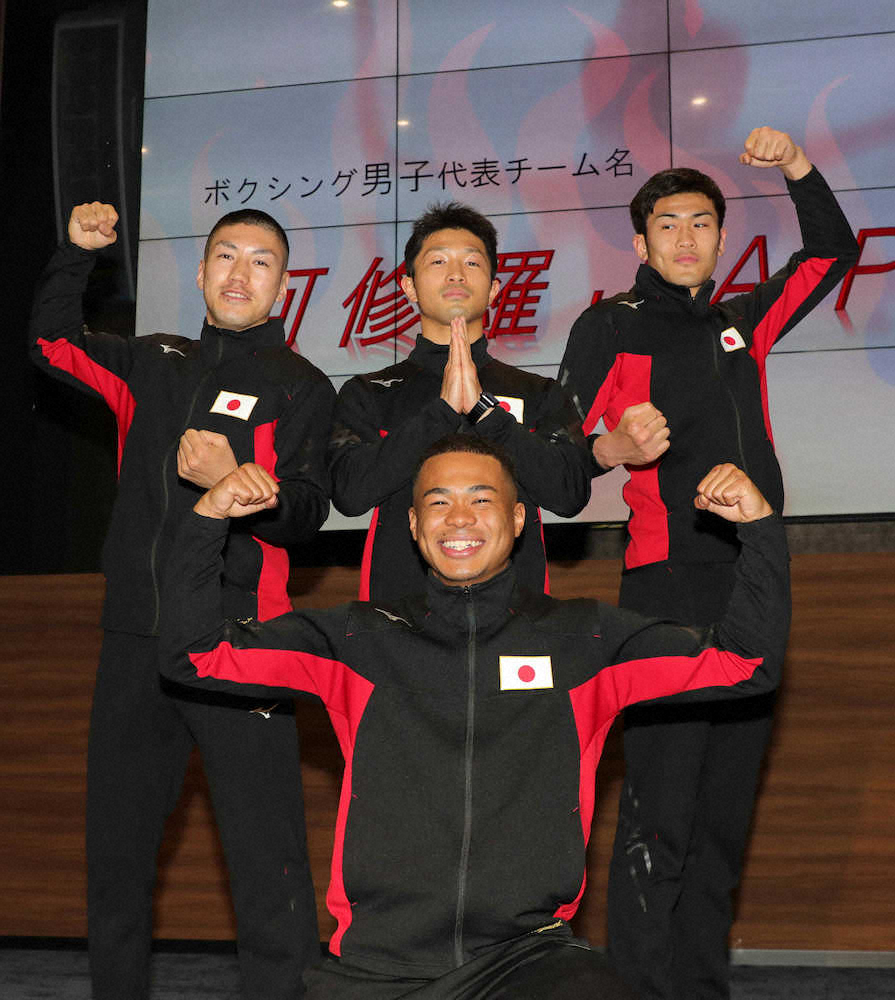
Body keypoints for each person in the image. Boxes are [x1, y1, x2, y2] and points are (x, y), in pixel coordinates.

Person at [159, 434, 791, 1000]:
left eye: (481, 500)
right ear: (413, 525)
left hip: (525, 961)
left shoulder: (585, 639)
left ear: (517, 520)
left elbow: (743, 664)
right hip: (375, 967)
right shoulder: (356, 638)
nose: (458, 518)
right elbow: (197, 657)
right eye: (438, 502)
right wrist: (207, 518)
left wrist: (760, 530)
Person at [558, 126, 859, 999]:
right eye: (666, 224)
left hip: (753, 581)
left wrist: (796, 166)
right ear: (640, 241)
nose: (684, 237)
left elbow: (831, 254)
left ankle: (699, 988)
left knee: (724, 817)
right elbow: (553, 462)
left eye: (699, 223)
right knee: (662, 812)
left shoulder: (741, 323)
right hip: (665, 584)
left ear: (722, 240)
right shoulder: (607, 326)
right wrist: (609, 447)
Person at [29, 202, 335, 999]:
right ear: (200, 274)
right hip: (136, 640)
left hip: (244, 644)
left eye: (260, 261)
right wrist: (75, 255)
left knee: (268, 864)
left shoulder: (300, 385)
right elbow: (52, 343)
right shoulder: (150, 361)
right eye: (225, 255)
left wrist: (236, 483)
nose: (240, 273)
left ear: (282, 287)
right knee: (117, 859)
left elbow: (307, 512)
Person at [328, 201, 591, 600]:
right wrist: (441, 413)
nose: (455, 274)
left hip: (516, 616)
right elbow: (349, 495)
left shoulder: (539, 391)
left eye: (471, 262)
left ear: (494, 289)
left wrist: (487, 414)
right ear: (409, 287)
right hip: (398, 616)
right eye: (438, 262)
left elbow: (569, 495)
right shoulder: (370, 392)